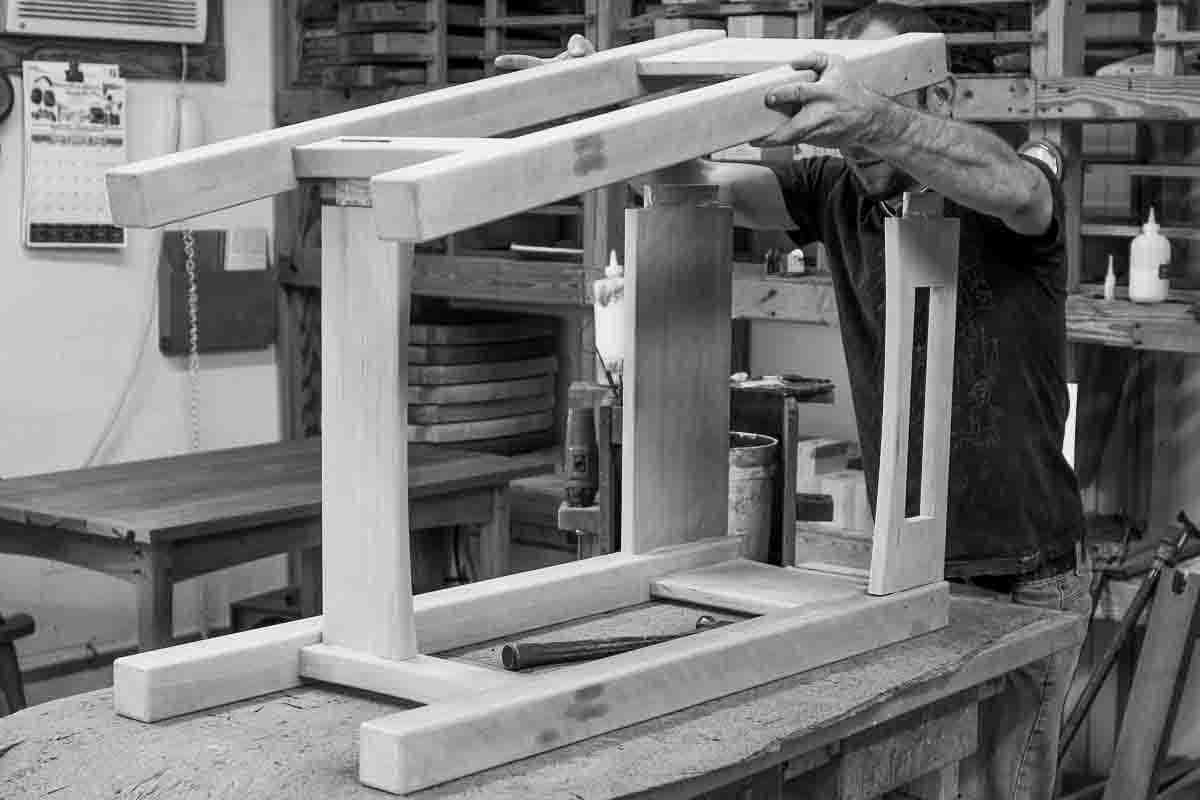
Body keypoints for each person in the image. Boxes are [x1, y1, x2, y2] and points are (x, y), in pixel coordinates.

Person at [500, 5, 1089, 799]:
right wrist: (604, 115)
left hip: (1026, 576)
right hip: (906, 581)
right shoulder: (836, 189)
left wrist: (877, 118)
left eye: (881, 99)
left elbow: (1020, 188)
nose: (856, 141)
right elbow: (695, 182)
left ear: (940, 99)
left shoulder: (1006, 197)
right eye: (847, 111)